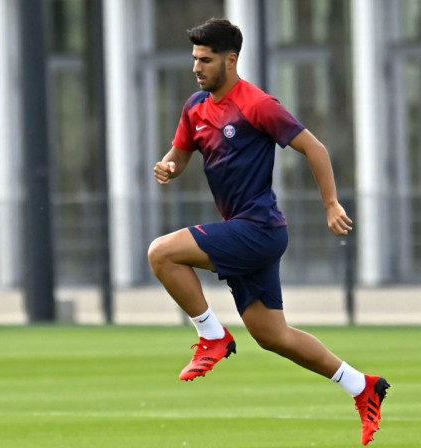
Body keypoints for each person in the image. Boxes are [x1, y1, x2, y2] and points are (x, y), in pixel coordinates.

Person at [147, 18, 388, 446]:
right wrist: (169, 166)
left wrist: (331, 203)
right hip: (246, 230)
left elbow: (314, 147)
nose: (197, 67)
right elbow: (180, 154)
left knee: (162, 253)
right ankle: (362, 386)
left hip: (258, 229)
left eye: (205, 60)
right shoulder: (195, 106)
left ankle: (211, 335)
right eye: (194, 60)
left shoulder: (256, 104)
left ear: (231, 59)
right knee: (272, 336)